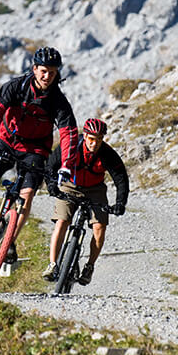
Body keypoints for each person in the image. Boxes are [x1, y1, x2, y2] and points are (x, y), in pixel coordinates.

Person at [0, 47, 78, 263]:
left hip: (35, 149)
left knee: (28, 194)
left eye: (52, 72)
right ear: (34, 69)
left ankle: (10, 241)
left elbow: (68, 133)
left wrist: (66, 165)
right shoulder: (17, 86)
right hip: (5, 140)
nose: (47, 76)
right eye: (43, 71)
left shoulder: (58, 101)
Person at [43, 118, 129, 285]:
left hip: (95, 189)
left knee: (99, 227)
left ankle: (89, 266)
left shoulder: (107, 154)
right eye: (91, 138)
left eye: (99, 139)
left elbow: (121, 180)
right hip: (70, 185)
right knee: (62, 222)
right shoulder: (71, 146)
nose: (94, 143)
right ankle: (52, 264)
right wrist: (52, 185)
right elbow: (51, 166)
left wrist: (120, 203)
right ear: (85, 135)